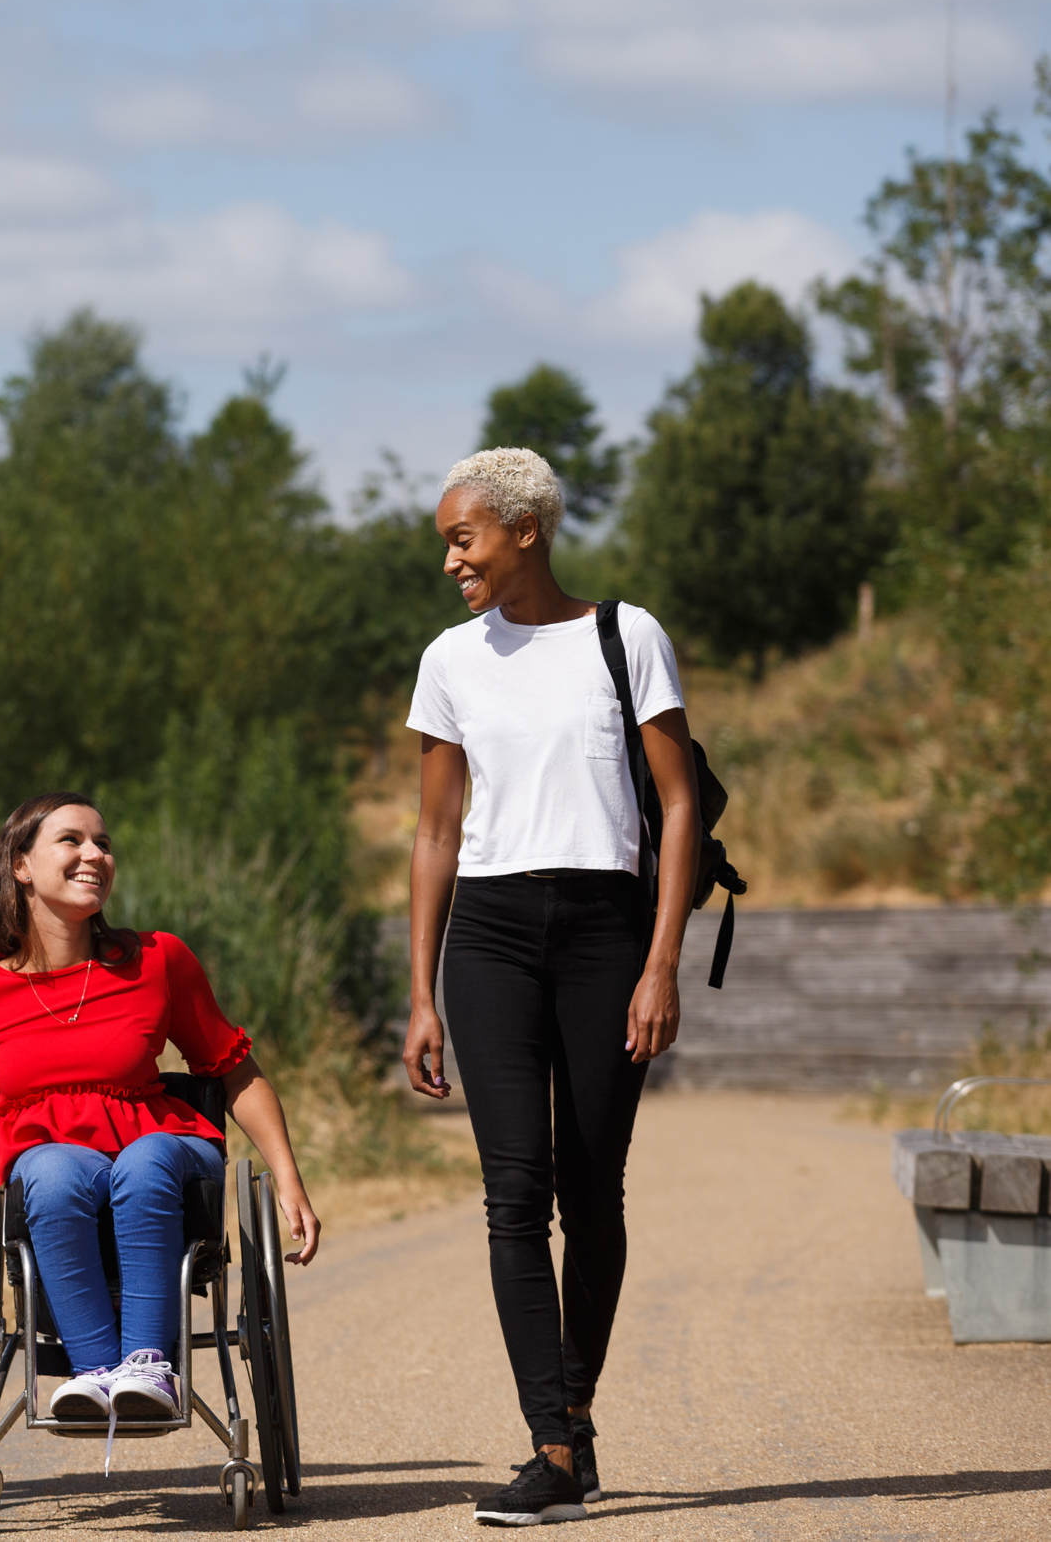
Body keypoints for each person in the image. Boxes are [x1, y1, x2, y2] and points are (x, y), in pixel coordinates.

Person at [400, 448, 699, 1528]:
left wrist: (660, 959)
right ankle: (552, 1441)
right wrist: (422, 988)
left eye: (463, 537)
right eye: (446, 540)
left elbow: (677, 809)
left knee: (593, 1188)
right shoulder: (449, 659)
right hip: (486, 929)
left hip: (604, 930)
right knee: (513, 1191)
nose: (450, 560)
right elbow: (435, 830)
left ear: (525, 529)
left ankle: (574, 1409)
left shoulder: (626, 635)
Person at [0, 792, 317, 1431]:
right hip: (46, 1169)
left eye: (103, 843)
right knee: (50, 1170)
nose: (95, 854)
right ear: (20, 865)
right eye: (71, 840)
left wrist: (288, 1177)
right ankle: (97, 1376)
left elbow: (235, 1070)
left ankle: (150, 1369)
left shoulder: (159, 959)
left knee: (146, 1159)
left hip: (163, 1145)